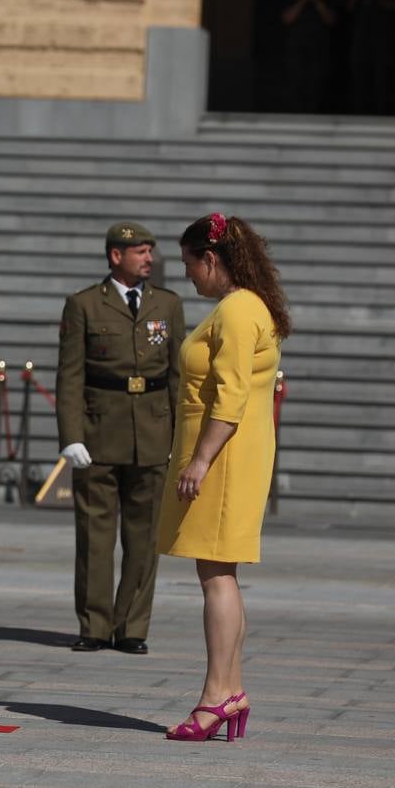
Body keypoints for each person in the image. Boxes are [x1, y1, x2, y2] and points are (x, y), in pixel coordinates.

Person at [158, 212, 290, 743]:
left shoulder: (236, 310)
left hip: (223, 458)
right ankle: (230, 690)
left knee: (215, 577)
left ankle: (216, 696)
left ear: (211, 259)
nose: (188, 275)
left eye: (190, 264)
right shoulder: (252, 305)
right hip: (235, 454)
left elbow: (229, 397)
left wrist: (200, 460)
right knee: (221, 575)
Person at [56, 221, 185, 655]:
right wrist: (71, 435)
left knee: (144, 536)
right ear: (116, 256)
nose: (150, 259)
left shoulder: (168, 304)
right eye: (140, 252)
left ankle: (131, 626)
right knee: (95, 535)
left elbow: (177, 375)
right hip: (99, 431)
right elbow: (70, 375)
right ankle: (94, 625)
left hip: (152, 431)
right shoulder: (84, 305)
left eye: (150, 251)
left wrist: (179, 435)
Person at [281, 0, 336, 112]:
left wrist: (317, 1)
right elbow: (287, 19)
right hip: (296, 52)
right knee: (295, 88)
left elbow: (330, 20)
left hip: (318, 52)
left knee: (315, 91)